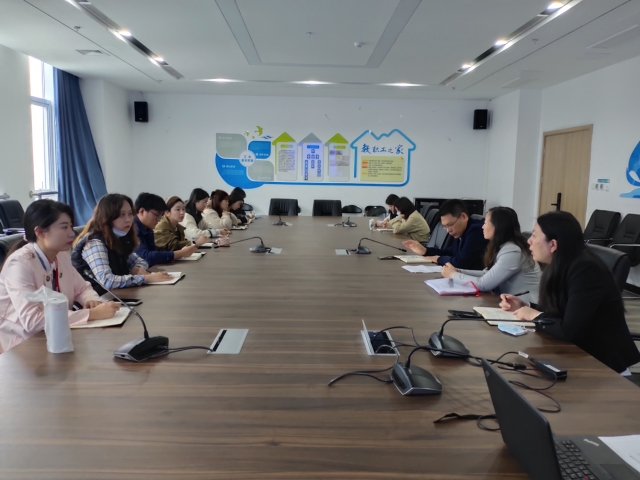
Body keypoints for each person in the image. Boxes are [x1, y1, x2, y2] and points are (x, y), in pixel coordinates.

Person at [499, 211, 640, 373]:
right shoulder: (562, 264)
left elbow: (569, 330)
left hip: (603, 366)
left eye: (534, 235)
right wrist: (526, 306)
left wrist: (533, 315)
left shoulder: (586, 270)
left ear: (553, 244)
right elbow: (561, 311)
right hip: (576, 354)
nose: (528, 241)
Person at [0, 200, 120, 353]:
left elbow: (82, 288)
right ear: (40, 232)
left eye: (71, 226)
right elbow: (32, 321)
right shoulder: (19, 264)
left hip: (58, 338)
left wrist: (91, 300)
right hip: (23, 347)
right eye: (64, 227)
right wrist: (91, 314)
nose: (72, 233)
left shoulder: (60, 255)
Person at [72, 194, 173, 294]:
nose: (128, 219)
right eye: (122, 214)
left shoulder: (120, 237)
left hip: (117, 295)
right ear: (107, 217)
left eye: (130, 214)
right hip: (97, 299)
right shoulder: (94, 242)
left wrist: (136, 269)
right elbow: (107, 281)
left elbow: (141, 261)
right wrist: (146, 278)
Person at [441, 207, 541, 303]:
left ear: (497, 226)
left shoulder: (513, 251)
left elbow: (483, 284)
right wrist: (458, 271)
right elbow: (486, 274)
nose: (482, 227)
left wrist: (453, 274)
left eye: (485, 223)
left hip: (527, 306)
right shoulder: (502, 246)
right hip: (510, 303)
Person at [403, 199, 488, 269]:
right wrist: (425, 251)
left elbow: (461, 262)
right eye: (444, 226)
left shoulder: (476, 231)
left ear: (463, 217)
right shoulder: (462, 231)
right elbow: (450, 252)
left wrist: (438, 259)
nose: (448, 230)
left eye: (450, 225)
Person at [133, 193, 199, 267]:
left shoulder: (148, 228)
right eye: (157, 215)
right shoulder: (133, 229)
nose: (158, 220)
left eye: (160, 216)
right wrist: (181, 253)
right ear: (142, 211)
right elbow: (146, 257)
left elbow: (153, 254)